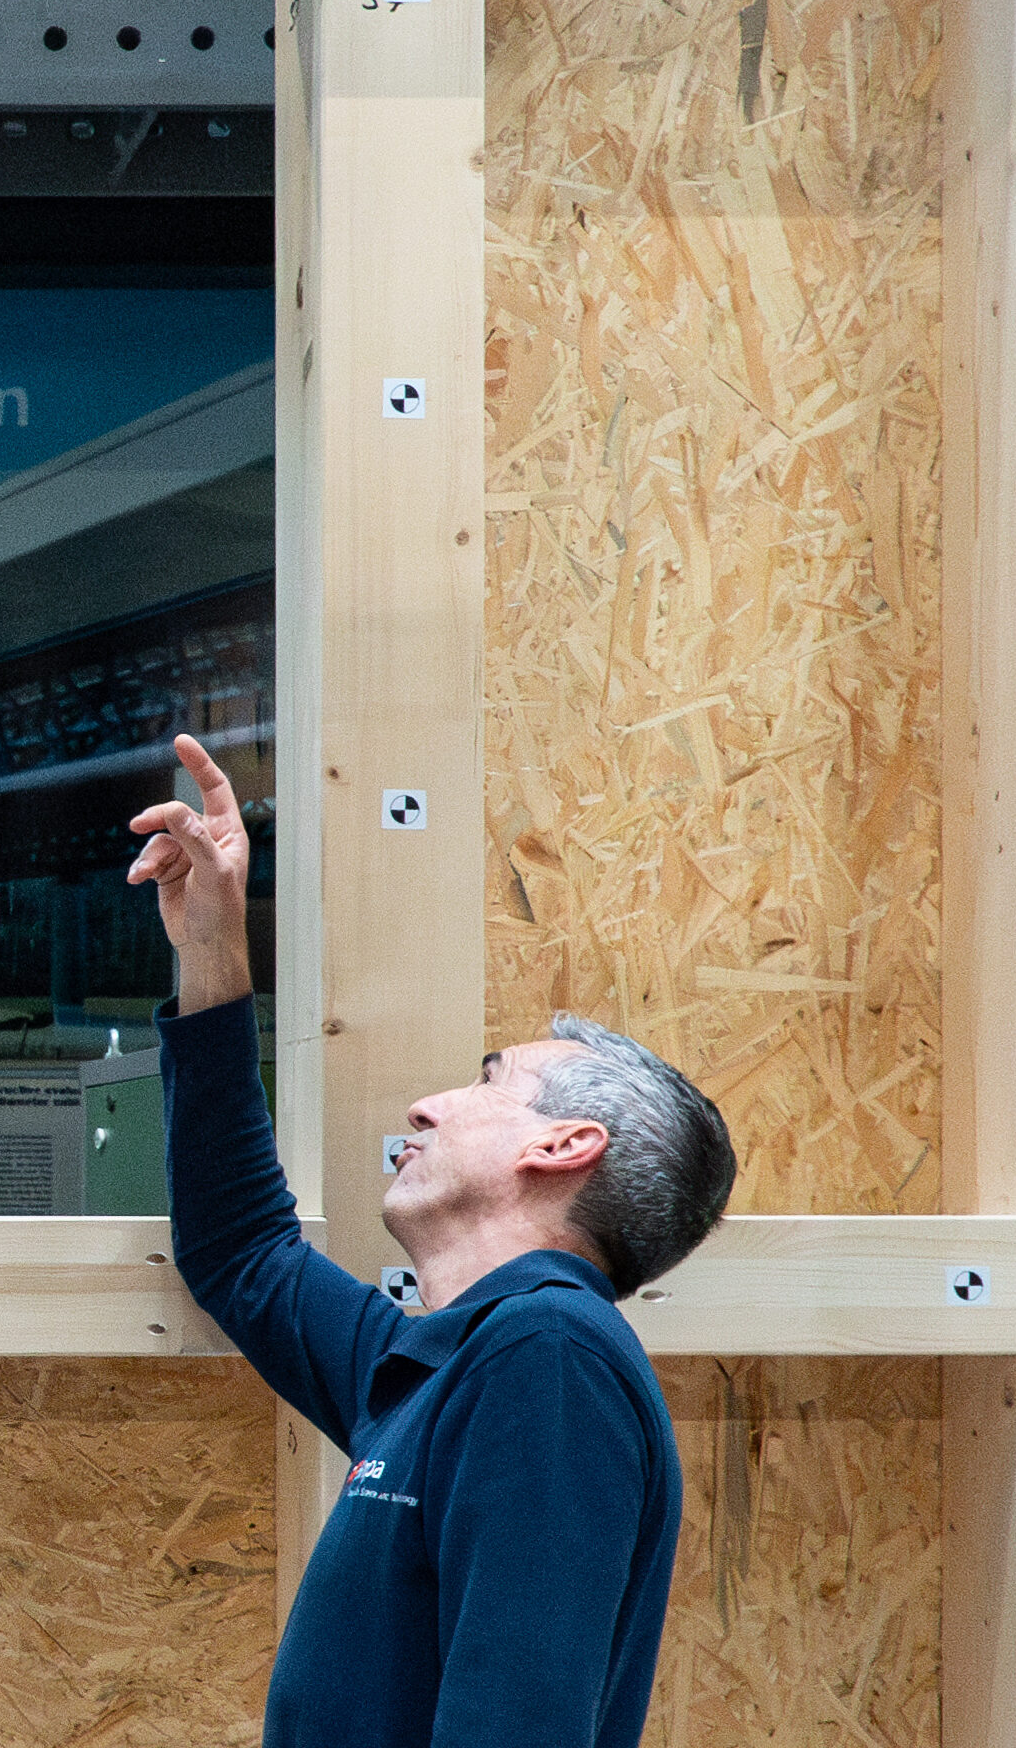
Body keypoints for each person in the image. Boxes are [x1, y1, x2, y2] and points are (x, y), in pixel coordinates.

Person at [128, 732, 735, 1748]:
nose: (425, 1104)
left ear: (565, 1144)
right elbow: (240, 1251)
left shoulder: (549, 1364)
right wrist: (212, 946)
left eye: (489, 1080)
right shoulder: (443, 1368)